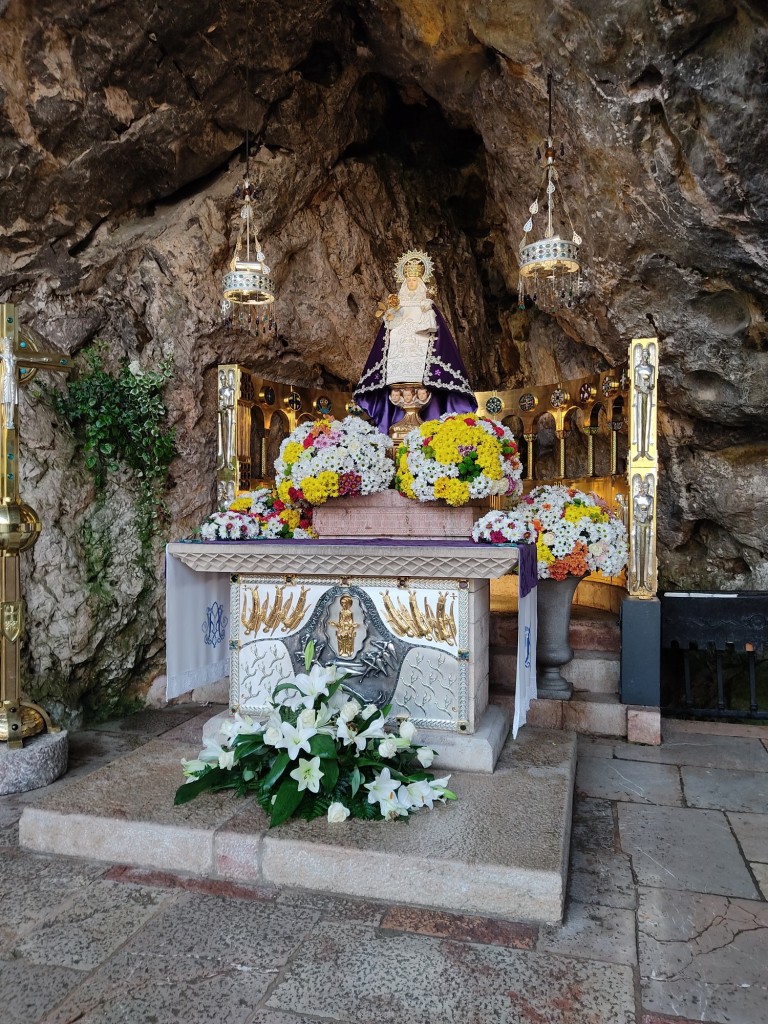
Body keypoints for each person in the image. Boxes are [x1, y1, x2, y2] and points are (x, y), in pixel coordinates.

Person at [354, 249, 476, 435]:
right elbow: (388, 333)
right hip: (399, 356)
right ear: (404, 281)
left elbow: (436, 332)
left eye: (414, 280)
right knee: (397, 383)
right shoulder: (397, 305)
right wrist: (390, 315)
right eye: (409, 280)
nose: (411, 283)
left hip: (421, 354)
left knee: (421, 382)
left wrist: (426, 309)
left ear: (420, 282)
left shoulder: (427, 305)